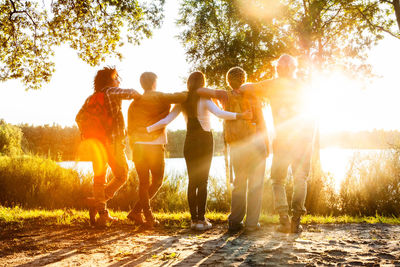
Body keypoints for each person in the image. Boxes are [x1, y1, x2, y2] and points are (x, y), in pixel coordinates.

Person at [147, 71, 251, 231]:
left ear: (189, 83)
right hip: (204, 141)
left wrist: (147, 129)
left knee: (192, 181)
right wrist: (241, 115)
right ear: (202, 83)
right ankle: (202, 220)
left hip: (189, 142)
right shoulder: (204, 98)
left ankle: (194, 220)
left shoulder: (183, 100)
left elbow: (166, 120)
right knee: (203, 181)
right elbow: (220, 114)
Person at [240, 55, 315, 233]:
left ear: (279, 69)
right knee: (300, 179)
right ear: (293, 68)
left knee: (278, 180)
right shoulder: (303, 86)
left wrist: (238, 88)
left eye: (279, 68)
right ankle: (296, 221)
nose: (280, 71)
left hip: (283, 140)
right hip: (303, 139)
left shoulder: (272, 84)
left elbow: (247, 88)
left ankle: (284, 220)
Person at [76, 66, 140, 226]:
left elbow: (78, 117)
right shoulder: (111, 92)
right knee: (122, 174)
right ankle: (99, 201)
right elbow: (130, 93)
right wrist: (144, 97)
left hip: (95, 144)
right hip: (112, 143)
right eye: (116, 78)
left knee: (99, 177)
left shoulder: (90, 98)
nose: (119, 81)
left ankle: (102, 214)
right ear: (109, 81)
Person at [126, 72, 187, 228]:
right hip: (154, 145)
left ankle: (140, 213)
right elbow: (181, 97)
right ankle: (146, 216)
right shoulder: (159, 96)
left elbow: (130, 127)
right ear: (154, 83)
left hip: (138, 145)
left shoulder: (134, 103)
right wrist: (196, 90)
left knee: (143, 183)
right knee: (157, 180)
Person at [223, 67, 269, 233]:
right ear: (244, 79)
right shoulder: (252, 95)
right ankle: (251, 224)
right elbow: (261, 122)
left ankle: (234, 221)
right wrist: (267, 144)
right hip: (256, 143)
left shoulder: (227, 97)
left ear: (229, 81)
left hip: (237, 145)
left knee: (239, 183)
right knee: (256, 184)